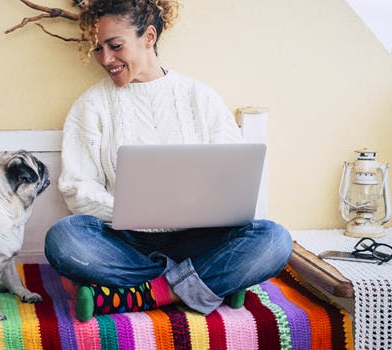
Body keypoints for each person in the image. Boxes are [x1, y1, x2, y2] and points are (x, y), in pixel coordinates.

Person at [45, 0, 292, 322]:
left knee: (274, 239)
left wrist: (201, 207)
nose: (106, 59)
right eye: (98, 49)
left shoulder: (199, 98)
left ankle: (143, 293)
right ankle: (206, 281)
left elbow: (232, 176)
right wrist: (128, 213)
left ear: (149, 37)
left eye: (115, 46)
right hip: (126, 241)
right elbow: (78, 189)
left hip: (199, 238)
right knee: (64, 238)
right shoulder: (91, 105)